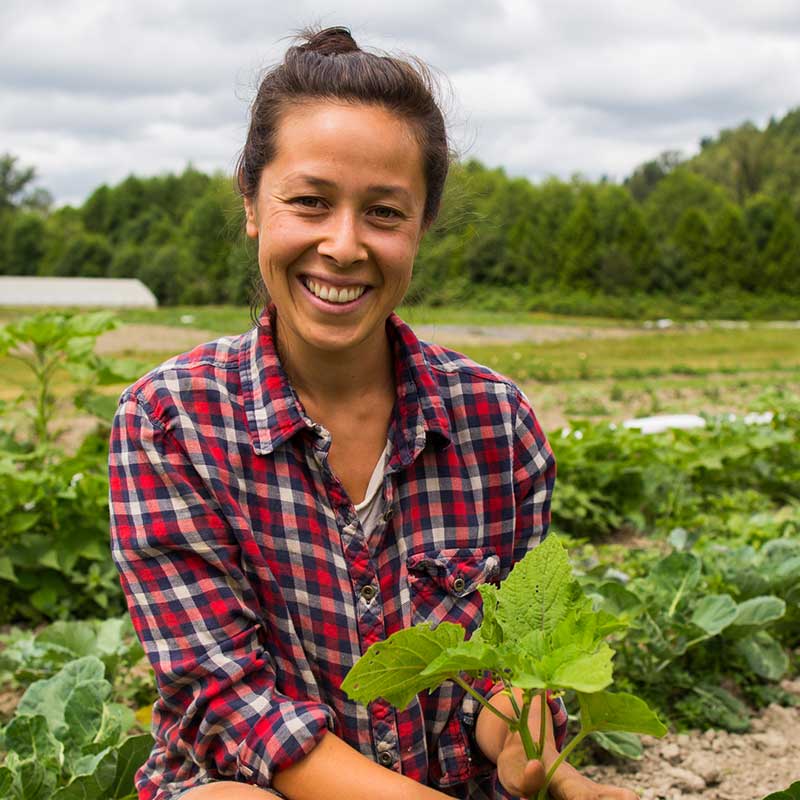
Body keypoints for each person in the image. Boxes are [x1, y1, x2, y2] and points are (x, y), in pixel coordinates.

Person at [109, 26, 639, 800]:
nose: (345, 245)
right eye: (311, 202)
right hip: (256, 785)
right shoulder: (170, 423)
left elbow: (511, 665)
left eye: (385, 213)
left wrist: (546, 761)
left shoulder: (495, 423)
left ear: (422, 225)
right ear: (252, 202)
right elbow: (228, 704)